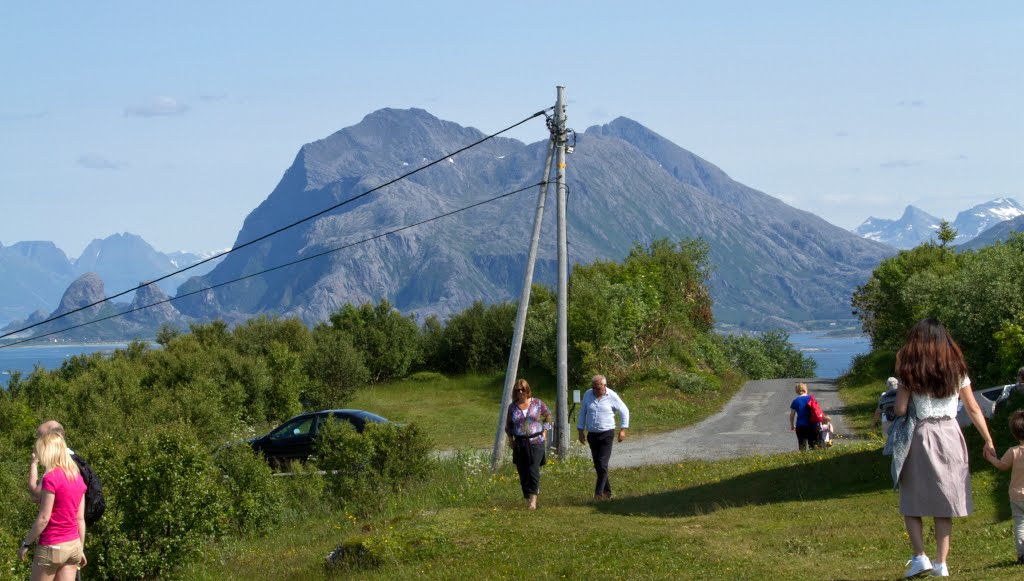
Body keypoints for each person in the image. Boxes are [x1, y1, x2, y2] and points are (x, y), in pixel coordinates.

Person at [892, 318, 995, 578]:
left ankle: (920, 557)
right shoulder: (956, 369)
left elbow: (900, 409)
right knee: (944, 501)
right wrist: (988, 439)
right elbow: (972, 407)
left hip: (921, 434)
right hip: (951, 433)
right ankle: (941, 563)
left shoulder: (909, 371)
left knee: (911, 499)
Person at [18, 432, 88, 580]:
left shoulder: (51, 478)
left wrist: (26, 544)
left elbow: (44, 518)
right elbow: (80, 519)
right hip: (73, 546)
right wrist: (80, 548)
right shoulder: (77, 477)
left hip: (52, 545)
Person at [577, 374, 630, 500]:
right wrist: (580, 430)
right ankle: (607, 491)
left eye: (597, 388)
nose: (595, 390)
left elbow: (624, 410)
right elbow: (582, 412)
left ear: (604, 386)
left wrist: (623, 429)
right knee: (598, 465)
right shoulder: (587, 394)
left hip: (607, 434)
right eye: (593, 387)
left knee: (602, 463)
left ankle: (598, 494)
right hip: (592, 434)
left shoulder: (611, 396)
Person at [983, 409, 1024, 565]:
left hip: (1016, 496)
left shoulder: (1013, 452)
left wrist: (990, 458)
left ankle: (1022, 555)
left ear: (1015, 434)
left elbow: (1002, 466)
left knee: (1020, 524)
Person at [504, 378, 552, 510]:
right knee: (523, 471)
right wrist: (510, 439)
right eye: (517, 390)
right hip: (520, 443)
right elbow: (508, 425)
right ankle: (527, 495)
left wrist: (545, 431)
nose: (520, 392)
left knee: (532, 469)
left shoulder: (537, 403)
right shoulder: (512, 407)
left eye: (522, 389)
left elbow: (548, 415)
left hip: (536, 442)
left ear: (527, 390)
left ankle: (533, 500)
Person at [789, 383, 820, 451]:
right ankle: (815, 460)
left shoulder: (795, 401)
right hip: (813, 425)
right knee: (814, 445)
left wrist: (792, 425)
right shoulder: (812, 399)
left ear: (796, 391)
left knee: (802, 445)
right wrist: (820, 424)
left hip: (801, 426)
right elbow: (817, 412)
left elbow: (792, 415)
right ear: (806, 389)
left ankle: (803, 460)